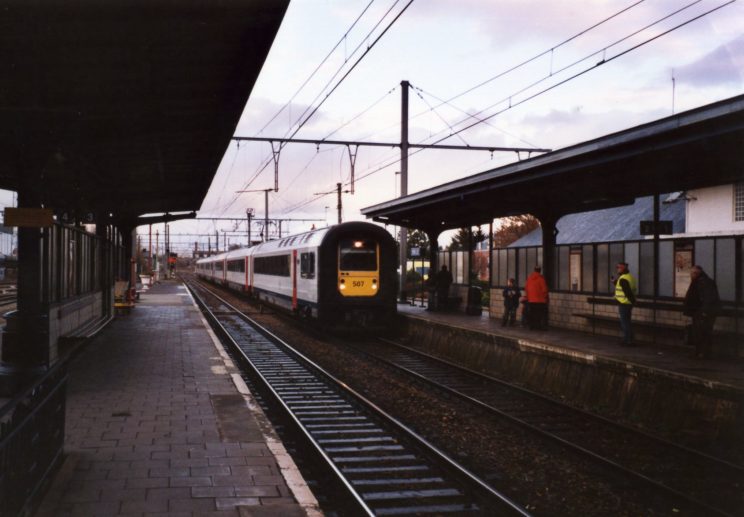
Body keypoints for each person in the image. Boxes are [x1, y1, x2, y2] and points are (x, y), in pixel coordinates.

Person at [683, 265, 720, 359]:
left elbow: (708, 298)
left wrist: (704, 312)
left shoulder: (704, 282)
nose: (691, 275)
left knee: (703, 332)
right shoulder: (700, 281)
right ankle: (699, 352)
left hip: (703, 312)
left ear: (696, 273)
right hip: (699, 311)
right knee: (699, 332)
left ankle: (703, 353)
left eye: (692, 273)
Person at [613, 262, 637, 346]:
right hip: (628, 303)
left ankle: (628, 340)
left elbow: (627, 292)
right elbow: (625, 288)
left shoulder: (623, 279)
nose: (617, 269)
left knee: (625, 322)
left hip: (624, 303)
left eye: (618, 267)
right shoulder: (630, 277)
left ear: (623, 269)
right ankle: (630, 339)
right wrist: (615, 282)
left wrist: (632, 301)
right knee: (627, 322)